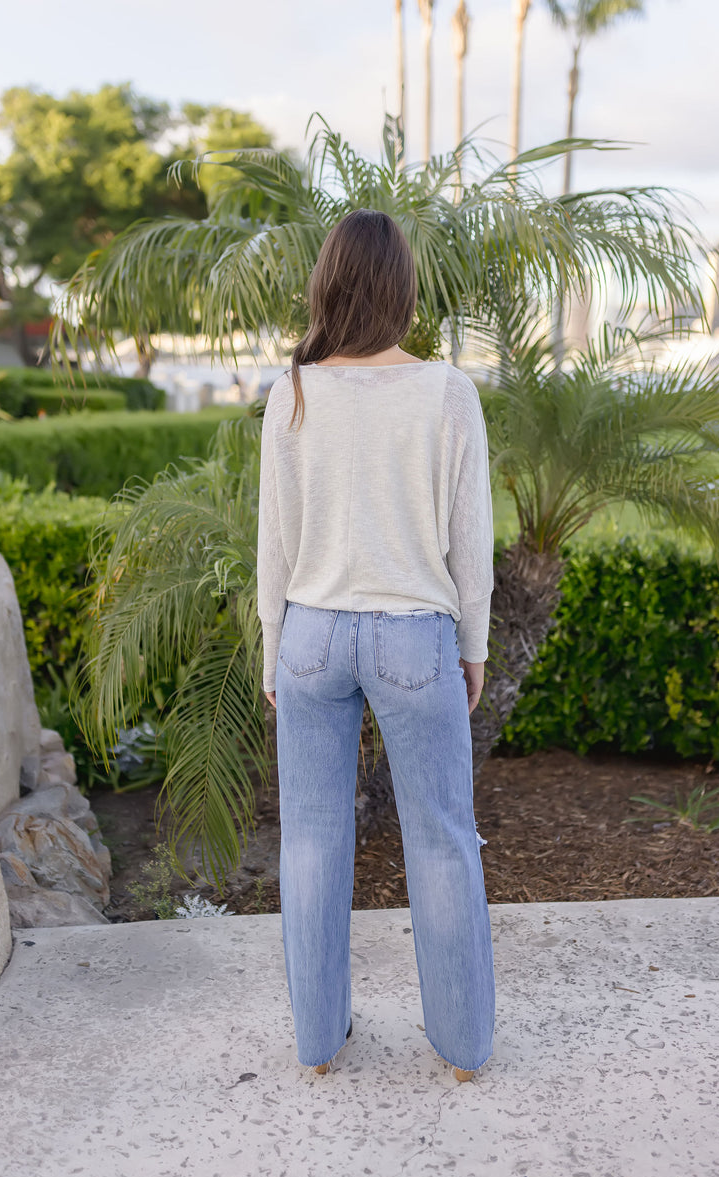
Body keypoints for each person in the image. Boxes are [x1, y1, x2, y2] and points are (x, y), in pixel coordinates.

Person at [256, 208, 496, 1083]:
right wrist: (474, 645)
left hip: (311, 635)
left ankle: (319, 1045)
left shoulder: (293, 391)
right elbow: (471, 538)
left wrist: (274, 647)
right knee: (441, 840)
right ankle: (463, 1049)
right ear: (404, 292)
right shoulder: (446, 392)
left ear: (325, 285)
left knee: (311, 842)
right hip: (414, 635)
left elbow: (274, 541)